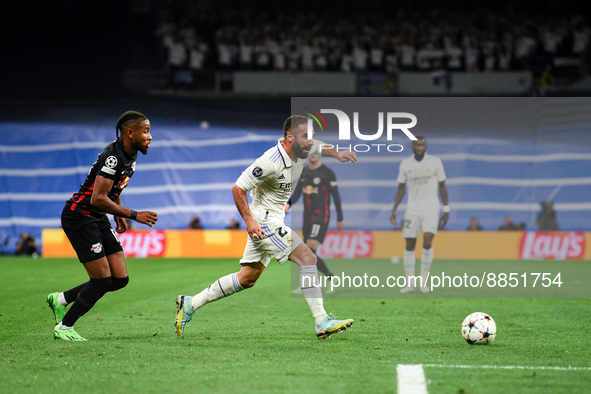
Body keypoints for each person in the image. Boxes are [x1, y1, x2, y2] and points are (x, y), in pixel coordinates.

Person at [174, 115, 357, 339]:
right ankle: (322, 321)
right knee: (308, 258)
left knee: (247, 278)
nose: (311, 142)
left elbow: (320, 147)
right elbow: (238, 188)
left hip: (274, 220)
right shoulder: (270, 161)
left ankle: (191, 304)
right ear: (290, 137)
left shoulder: (303, 148)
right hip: (264, 222)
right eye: (306, 137)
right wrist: (249, 221)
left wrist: (337, 153)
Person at [46, 111, 158, 341]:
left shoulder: (131, 156)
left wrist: (118, 214)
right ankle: (64, 327)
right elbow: (97, 198)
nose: (150, 137)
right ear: (130, 133)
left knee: (119, 279)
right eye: (146, 131)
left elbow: (112, 190)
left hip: (98, 217)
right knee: (102, 280)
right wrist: (134, 214)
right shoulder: (113, 157)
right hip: (80, 216)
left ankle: (61, 299)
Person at [390, 136, 449, 294]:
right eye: (417, 145)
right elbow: (401, 188)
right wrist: (394, 209)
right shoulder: (405, 164)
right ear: (412, 146)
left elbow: (442, 186)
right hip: (412, 209)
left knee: (427, 240)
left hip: (431, 208)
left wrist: (446, 209)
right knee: (409, 244)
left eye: (422, 145)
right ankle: (410, 283)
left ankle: (423, 281)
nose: (419, 147)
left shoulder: (435, 162)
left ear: (426, 146)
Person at [285, 154, 344, 281]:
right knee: (307, 253)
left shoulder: (327, 173)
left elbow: (336, 196)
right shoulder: (304, 172)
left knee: (310, 248)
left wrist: (340, 218)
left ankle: (324, 278)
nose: (313, 155)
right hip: (307, 218)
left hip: (321, 217)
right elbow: (297, 193)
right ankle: (326, 278)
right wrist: (288, 204)